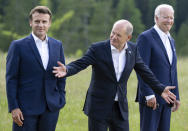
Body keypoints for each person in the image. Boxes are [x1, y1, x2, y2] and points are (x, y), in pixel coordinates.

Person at [53, 19, 176, 131]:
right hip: (99, 106)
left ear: (128, 37)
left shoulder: (133, 50)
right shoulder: (98, 49)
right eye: (113, 33)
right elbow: (81, 63)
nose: (113, 37)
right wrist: (67, 70)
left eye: (118, 35)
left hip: (120, 108)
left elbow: (145, 72)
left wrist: (160, 89)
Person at [6, 6, 66, 131]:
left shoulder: (57, 45)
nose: (40, 25)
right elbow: (11, 79)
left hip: (51, 108)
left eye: (44, 22)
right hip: (25, 109)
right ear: (30, 22)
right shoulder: (18, 46)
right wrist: (13, 107)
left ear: (49, 23)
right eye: (37, 21)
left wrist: (61, 97)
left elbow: (61, 74)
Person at [135, 4, 180, 131]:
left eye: (171, 18)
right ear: (156, 18)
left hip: (168, 99)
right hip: (152, 99)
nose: (169, 21)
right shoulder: (145, 38)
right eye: (166, 17)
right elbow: (141, 68)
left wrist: (176, 96)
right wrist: (149, 94)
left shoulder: (171, 40)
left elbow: (173, 70)